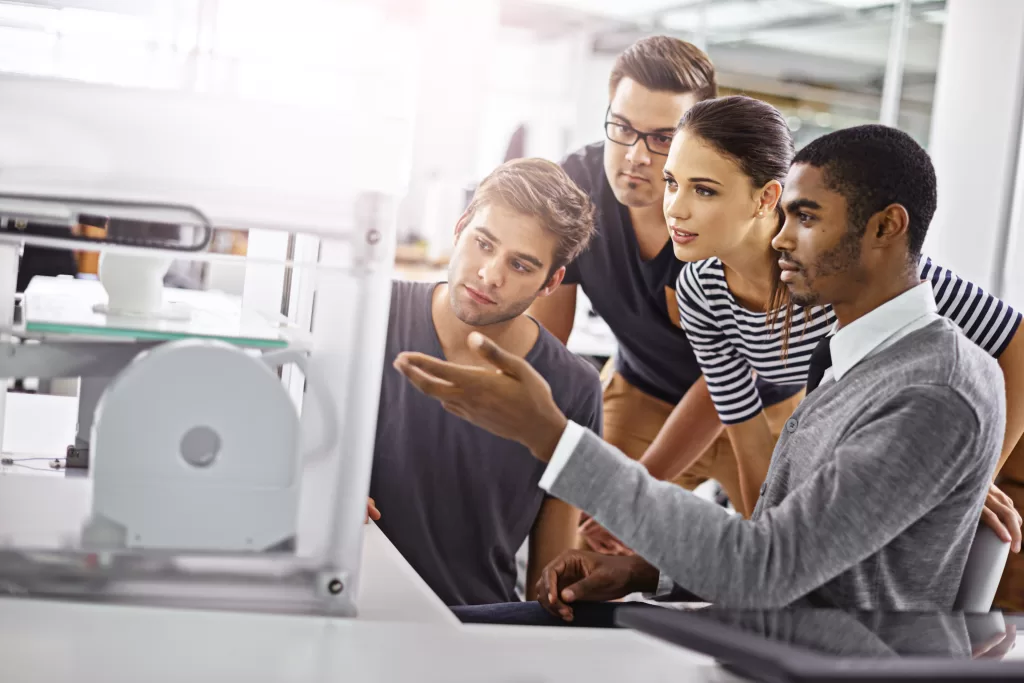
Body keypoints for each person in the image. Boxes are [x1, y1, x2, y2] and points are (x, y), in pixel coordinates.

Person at [394, 123, 1006, 619]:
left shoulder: (932, 389)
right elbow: (781, 548)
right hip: (775, 636)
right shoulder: (854, 360)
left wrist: (552, 438)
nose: (783, 239)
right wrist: (648, 571)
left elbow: (767, 568)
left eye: (807, 218)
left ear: (886, 228)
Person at [581, 97, 1024, 554]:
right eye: (672, 183)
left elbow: (1017, 340)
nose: (674, 209)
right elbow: (746, 442)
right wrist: (758, 564)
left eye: (705, 190)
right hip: (819, 427)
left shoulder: (839, 267)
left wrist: (976, 474)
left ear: (766, 198)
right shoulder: (700, 289)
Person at [529, 37, 805, 546]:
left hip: (766, 408)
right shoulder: (577, 185)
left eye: (661, 138)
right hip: (641, 391)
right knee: (580, 543)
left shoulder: (741, 218)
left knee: (791, 568)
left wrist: (638, 489)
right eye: (622, 128)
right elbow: (548, 340)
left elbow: (725, 379)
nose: (634, 156)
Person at [369, 158, 603, 608]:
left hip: (474, 626)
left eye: (520, 265)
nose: (490, 274)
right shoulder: (371, 313)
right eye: (484, 243)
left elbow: (551, 583)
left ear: (552, 281)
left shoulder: (574, 389)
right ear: (460, 227)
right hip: (347, 601)